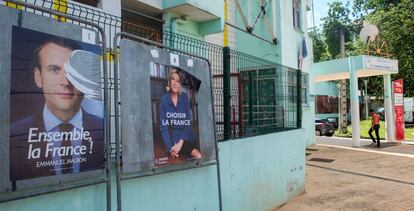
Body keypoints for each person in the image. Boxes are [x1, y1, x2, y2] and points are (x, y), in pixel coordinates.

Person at [10, 38, 104, 181]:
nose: (65, 82)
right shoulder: (13, 135)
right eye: (54, 69)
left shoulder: (102, 128)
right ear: (38, 77)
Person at [159, 69, 202, 160]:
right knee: (190, 157)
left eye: (178, 81)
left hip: (186, 136)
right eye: (172, 79)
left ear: (180, 85)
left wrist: (180, 142)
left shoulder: (184, 98)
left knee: (198, 156)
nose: (175, 83)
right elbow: (164, 128)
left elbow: (187, 123)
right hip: (174, 139)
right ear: (169, 82)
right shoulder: (164, 100)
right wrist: (171, 149)